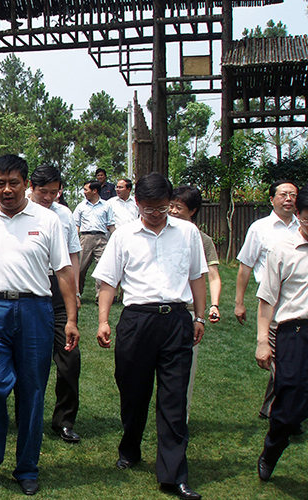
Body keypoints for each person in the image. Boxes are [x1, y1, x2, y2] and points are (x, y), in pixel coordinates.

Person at [0, 155, 79, 496]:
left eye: (14, 182)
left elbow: (63, 272)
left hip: (35, 311)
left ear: (26, 184)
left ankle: (27, 466)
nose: (7, 189)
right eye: (1, 183)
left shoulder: (48, 221)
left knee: (32, 391)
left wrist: (71, 319)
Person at [93, 172, 207, 500]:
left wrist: (198, 316)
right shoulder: (125, 235)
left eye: (163, 208)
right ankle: (130, 445)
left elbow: (197, 275)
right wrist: (103, 321)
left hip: (175, 320)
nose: (156, 215)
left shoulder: (187, 232)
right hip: (136, 321)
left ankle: (173, 473)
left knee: (173, 399)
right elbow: (108, 282)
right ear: (138, 204)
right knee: (133, 392)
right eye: (150, 209)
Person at [254, 184, 308, 482]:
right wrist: (263, 340)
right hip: (294, 331)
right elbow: (267, 299)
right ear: (299, 216)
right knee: (289, 400)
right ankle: (272, 448)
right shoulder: (282, 250)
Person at [234, 180, 299, 420]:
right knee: (282, 360)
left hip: (299, 302)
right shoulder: (260, 228)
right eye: (283, 194)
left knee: (289, 358)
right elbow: (245, 266)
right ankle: (286, 414)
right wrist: (239, 302)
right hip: (271, 303)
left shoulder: (301, 227)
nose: (289, 199)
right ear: (272, 199)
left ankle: (272, 409)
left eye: (293, 194)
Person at [29, 165, 84, 443]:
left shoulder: (64, 215)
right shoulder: (22, 211)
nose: (49, 197)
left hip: (59, 289)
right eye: (43, 192)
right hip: (31, 288)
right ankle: (28, 418)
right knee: (31, 361)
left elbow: (73, 255)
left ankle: (64, 420)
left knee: (69, 359)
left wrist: (73, 291)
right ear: (31, 187)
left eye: (54, 192)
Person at [169, 186, 221, 419]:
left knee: (183, 372)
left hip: (187, 312)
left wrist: (213, 305)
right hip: (159, 310)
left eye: (178, 207)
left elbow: (212, 275)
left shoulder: (203, 240)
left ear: (193, 211)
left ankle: (182, 419)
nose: (172, 211)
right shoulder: (163, 233)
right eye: (171, 205)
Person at [72, 180, 115, 300]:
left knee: (103, 269)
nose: (84, 192)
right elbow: (76, 225)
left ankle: (100, 296)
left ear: (95, 191)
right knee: (80, 268)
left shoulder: (106, 206)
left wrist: (116, 239)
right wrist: (74, 241)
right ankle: (77, 293)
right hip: (85, 238)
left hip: (102, 238)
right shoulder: (81, 206)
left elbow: (111, 224)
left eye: (86, 189)